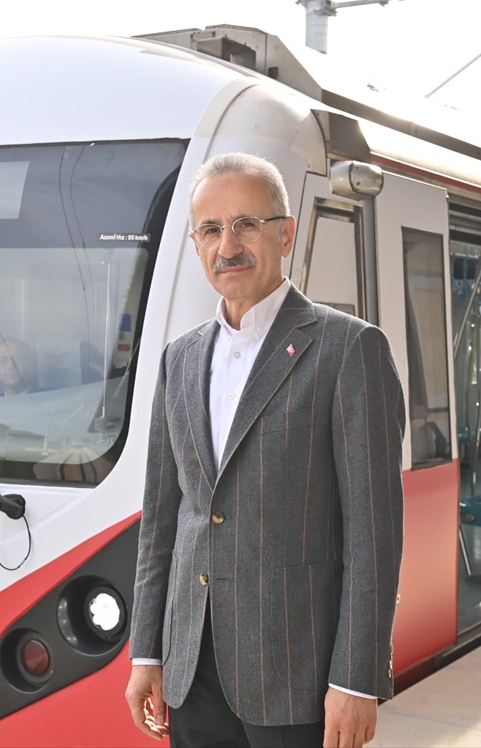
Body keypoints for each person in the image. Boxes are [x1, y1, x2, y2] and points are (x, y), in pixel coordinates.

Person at [125, 153, 405, 748]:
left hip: (297, 675)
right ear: (196, 244)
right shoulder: (179, 359)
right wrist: (146, 652)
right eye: (210, 229)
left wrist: (356, 680)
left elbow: (373, 535)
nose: (227, 246)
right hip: (191, 671)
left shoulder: (349, 349)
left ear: (286, 233)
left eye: (246, 224)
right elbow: (162, 521)